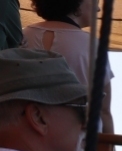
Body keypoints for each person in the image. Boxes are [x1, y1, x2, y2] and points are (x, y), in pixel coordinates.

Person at [21, 0, 113, 135]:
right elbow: (103, 110)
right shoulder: (93, 45)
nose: (98, 9)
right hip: (75, 141)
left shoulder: (21, 36)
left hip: (24, 136)